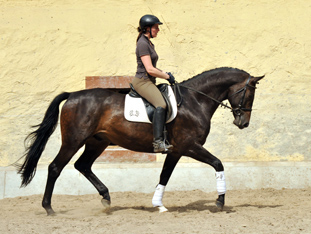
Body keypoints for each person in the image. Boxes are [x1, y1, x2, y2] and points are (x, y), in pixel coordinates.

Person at [132, 14, 175, 153]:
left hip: (149, 80)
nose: (158, 30)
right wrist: (166, 76)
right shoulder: (143, 43)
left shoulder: (148, 42)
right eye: (156, 27)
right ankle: (158, 143)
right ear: (147, 28)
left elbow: (152, 67)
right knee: (161, 104)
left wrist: (164, 73)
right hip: (143, 81)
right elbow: (149, 69)